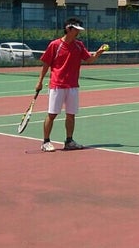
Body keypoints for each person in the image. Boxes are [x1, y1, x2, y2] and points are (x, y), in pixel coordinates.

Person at [36, 18, 108, 152]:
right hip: (57, 85)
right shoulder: (55, 45)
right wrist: (39, 81)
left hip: (73, 86)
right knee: (52, 114)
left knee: (71, 115)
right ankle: (46, 142)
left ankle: (69, 141)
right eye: (76, 30)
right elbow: (46, 64)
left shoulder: (79, 45)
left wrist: (99, 52)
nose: (78, 33)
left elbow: (89, 59)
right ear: (68, 29)